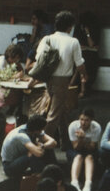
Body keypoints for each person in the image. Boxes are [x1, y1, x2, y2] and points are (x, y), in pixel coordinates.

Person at [28, 10, 85, 147]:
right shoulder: (73, 42)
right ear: (70, 26)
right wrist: (85, 75)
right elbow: (80, 64)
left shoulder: (46, 39)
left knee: (62, 111)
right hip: (62, 80)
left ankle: (66, 142)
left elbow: (38, 60)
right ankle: (41, 143)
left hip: (48, 79)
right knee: (53, 115)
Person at [0, 114, 58, 180]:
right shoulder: (22, 135)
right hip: (9, 166)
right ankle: (42, 176)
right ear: (37, 130)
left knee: (48, 149)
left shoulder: (32, 130)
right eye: (41, 130)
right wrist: (37, 147)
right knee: (32, 155)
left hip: (21, 158)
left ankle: (55, 172)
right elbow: (38, 153)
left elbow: (53, 142)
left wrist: (42, 145)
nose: (42, 132)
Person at [66, 108, 102, 191]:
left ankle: (88, 183)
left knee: (89, 157)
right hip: (75, 148)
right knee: (78, 157)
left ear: (91, 120)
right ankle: (74, 182)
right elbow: (75, 147)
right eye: (81, 119)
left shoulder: (96, 127)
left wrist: (83, 139)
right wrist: (81, 140)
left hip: (89, 149)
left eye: (86, 120)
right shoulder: (73, 126)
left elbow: (92, 147)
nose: (83, 123)